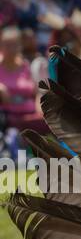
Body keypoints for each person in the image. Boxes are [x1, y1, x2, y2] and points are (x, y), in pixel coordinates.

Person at [0, 26, 44, 162]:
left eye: (14, 45)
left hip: (30, 114)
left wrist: (40, 108)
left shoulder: (26, 66)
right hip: (7, 116)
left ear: (20, 46)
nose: (11, 48)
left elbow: (36, 93)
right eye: (7, 45)